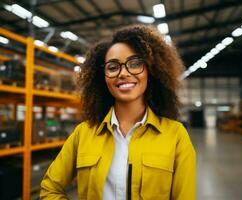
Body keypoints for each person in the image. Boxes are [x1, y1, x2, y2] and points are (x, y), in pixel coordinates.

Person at [40, 25, 196, 200]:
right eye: (113, 67)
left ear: (151, 70)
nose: (123, 73)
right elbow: (50, 188)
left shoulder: (176, 136)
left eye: (135, 63)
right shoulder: (83, 134)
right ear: (103, 77)